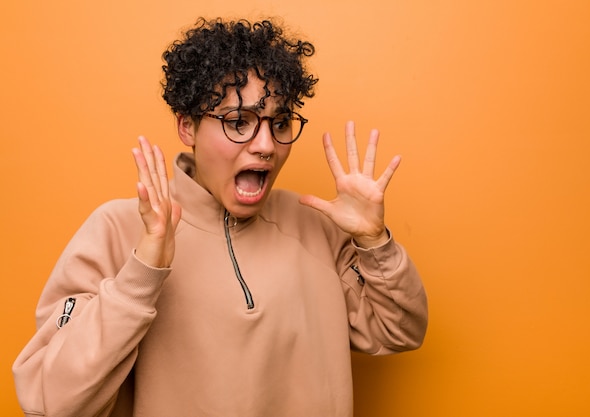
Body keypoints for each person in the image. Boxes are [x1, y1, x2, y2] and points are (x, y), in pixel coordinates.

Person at [13, 17, 428, 417]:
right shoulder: (116, 230)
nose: (266, 144)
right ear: (187, 128)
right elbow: (52, 403)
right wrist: (142, 274)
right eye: (238, 122)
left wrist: (375, 243)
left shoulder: (316, 228)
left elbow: (401, 331)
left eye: (280, 123)